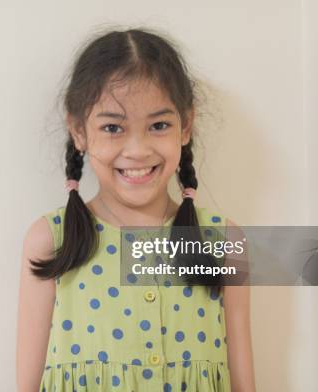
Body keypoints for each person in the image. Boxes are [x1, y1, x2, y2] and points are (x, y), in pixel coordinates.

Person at [16, 28, 256, 392]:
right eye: (113, 127)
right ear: (79, 131)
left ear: (186, 125)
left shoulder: (223, 242)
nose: (138, 150)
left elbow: (243, 383)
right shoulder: (51, 241)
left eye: (159, 125)